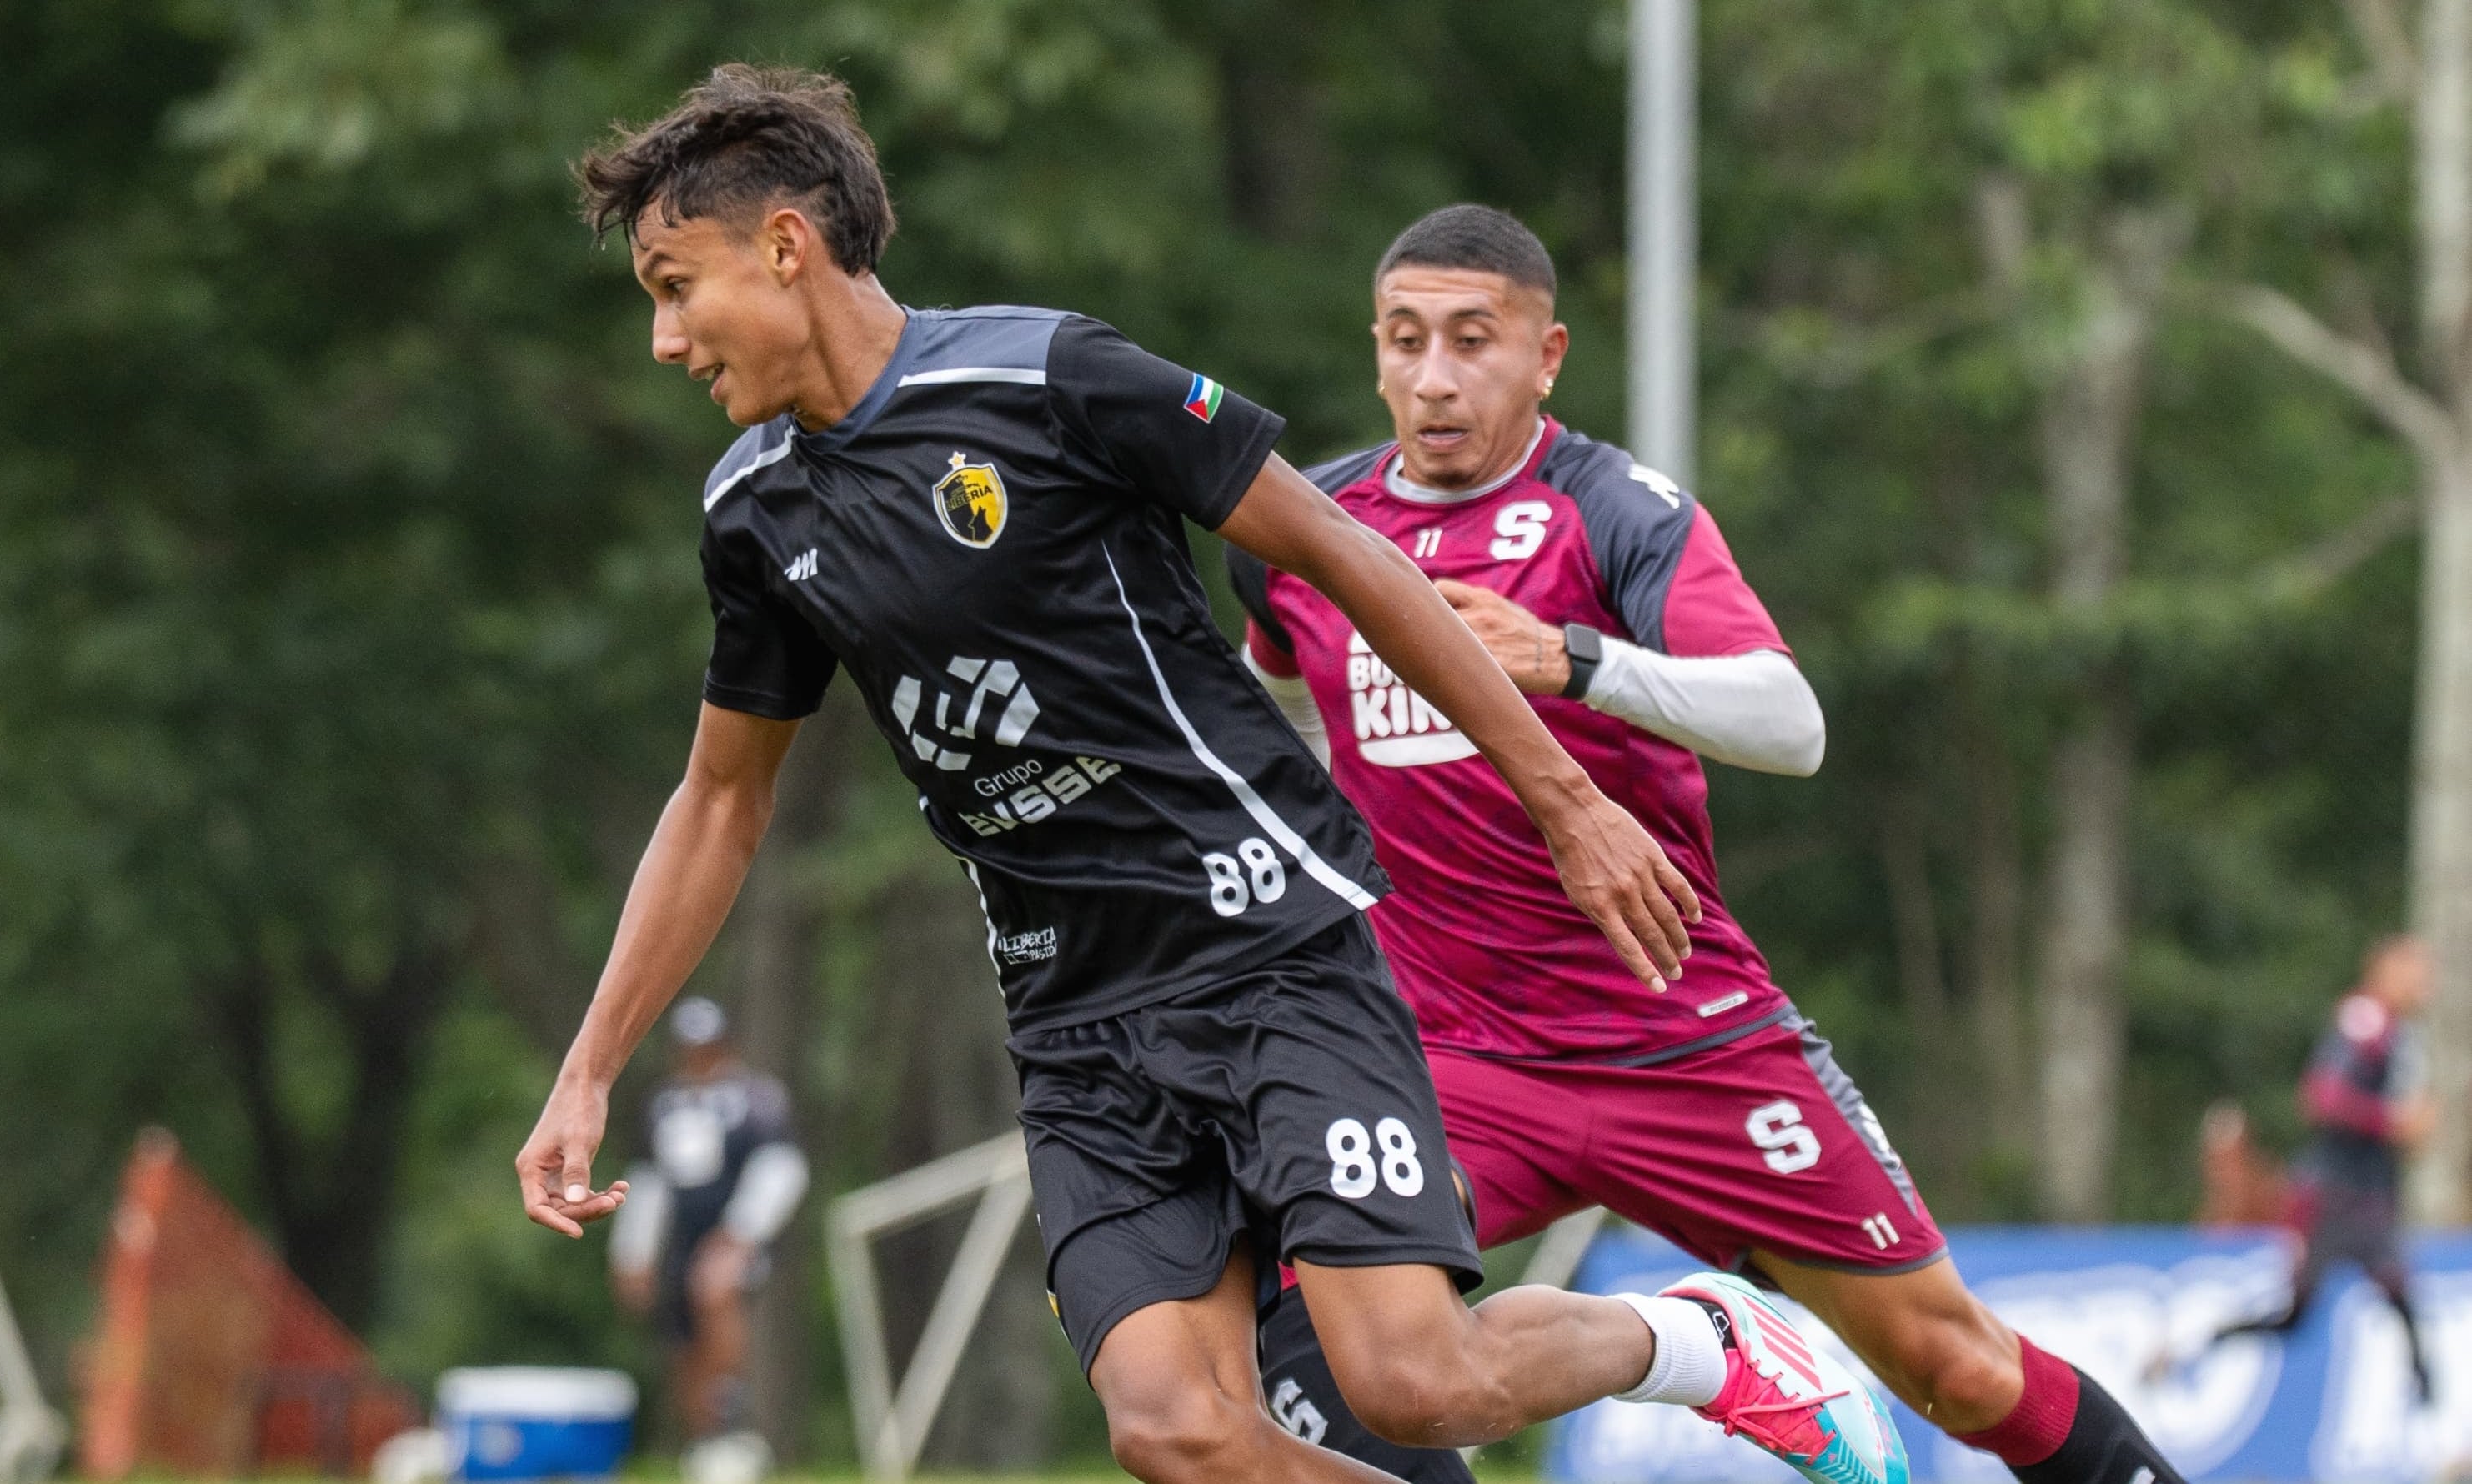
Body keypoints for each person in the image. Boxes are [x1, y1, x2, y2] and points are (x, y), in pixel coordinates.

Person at [511, 65, 1904, 1484]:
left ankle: (1703, 1344)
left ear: (785, 248)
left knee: (1413, 1385)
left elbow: (1345, 555)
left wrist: (1565, 798)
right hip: (1075, 1023)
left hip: (1269, 952)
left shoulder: (1045, 378)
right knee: (1175, 1437)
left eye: (675, 287)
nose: (663, 340)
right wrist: (588, 1071)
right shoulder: (752, 509)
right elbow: (720, 798)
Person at [1231, 203, 2183, 1484]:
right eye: (1406, 341)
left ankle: (1732, 1339)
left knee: (1955, 1370)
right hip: (1449, 1058)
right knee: (1311, 1331)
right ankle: (1671, 1345)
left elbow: (1790, 723)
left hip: (1686, 1040)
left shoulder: (1615, 511)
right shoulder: (1312, 531)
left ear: (1548, 353)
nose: (1435, 377)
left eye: (1474, 340)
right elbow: (1280, 694)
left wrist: (1577, 661)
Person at [2201, 935, 2435, 1401]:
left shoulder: (2397, 1032)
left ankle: (2433, 1412)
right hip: (2335, 1196)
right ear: (2383, 969)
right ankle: (2204, 1342)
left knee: (2399, 1303)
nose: (2424, 982)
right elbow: (2323, 1096)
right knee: (2304, 1313)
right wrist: (2392, 1121)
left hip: (2364, 1194)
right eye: (2414, 970)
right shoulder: (2366, 1021)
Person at [607, 997, 807, 1475]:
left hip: (734, 1231)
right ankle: (701, 1441)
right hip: (680, 1236)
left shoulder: (758, 1100)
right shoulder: (663, 1105)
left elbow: (780, 1167)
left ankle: (730, 1425)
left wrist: (741, 1233)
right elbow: (650, 1181)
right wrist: (633, 1252)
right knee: (681, 1339)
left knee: (715, 1294)